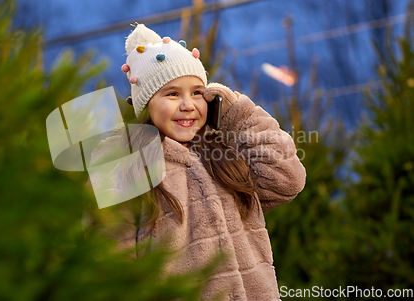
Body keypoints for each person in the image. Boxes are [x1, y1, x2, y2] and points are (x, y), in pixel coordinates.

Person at [90, 23, 307, 301]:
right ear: (147, 105)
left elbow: (287, 180)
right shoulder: (127, 165)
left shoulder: (225, 155)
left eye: (196, 92)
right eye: (172, 94)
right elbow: (112, 266)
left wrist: (237, 114)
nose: (188, 105)